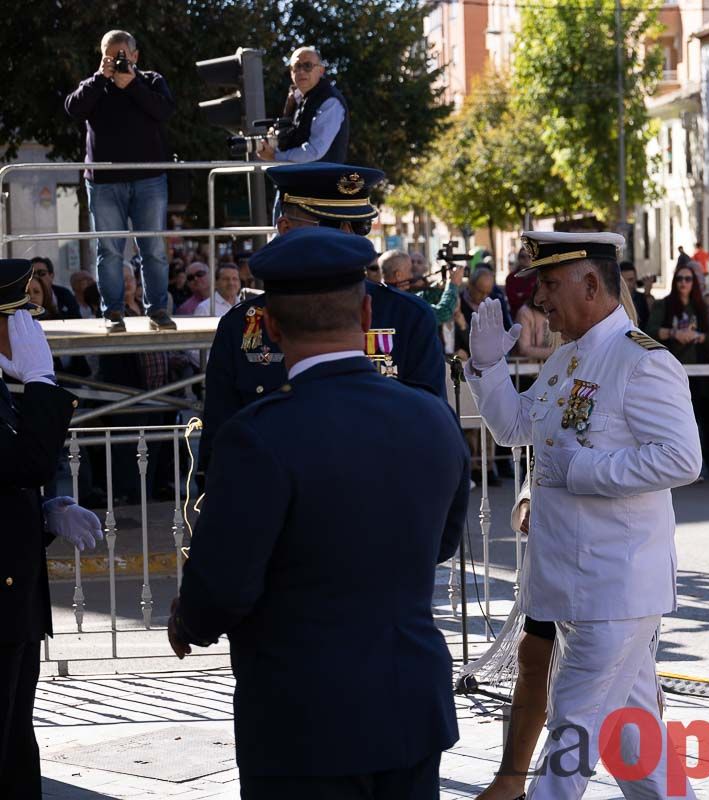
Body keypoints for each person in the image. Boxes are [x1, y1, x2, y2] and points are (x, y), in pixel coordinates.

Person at [168, 229, 468, 799]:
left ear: (273, 329)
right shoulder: (430, 419)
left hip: (302, 717)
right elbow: (444, 541)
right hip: (409, 703)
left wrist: (191, 620)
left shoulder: (258, 435)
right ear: (365, 310)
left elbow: (223, 585)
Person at [466, 231, 701, 799]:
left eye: (549, 283)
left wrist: (584, 471)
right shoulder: (571, 355)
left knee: (568, 736)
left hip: (615, 589)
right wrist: (489, 367)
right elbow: (518, 428)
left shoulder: (642, 361)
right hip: (574, 584)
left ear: (591, 284)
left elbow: (682, 459)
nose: (540, 298)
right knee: (635, 748)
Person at [198, 164, 445, 478]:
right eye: (330, 224)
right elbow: (220, 458)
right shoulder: (242, 325)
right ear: (285, 229)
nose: (349, 238)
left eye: (359, 226)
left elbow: (435, 446)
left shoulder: (409, 317)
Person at [0, 261, 103, 797]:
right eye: (18, 321)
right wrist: (40, 381)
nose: (29, 332)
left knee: (17, 749)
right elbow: (28, 462)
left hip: (15, 603)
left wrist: (42, 514)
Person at [64, 29, 176, 334]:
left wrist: (133, 85)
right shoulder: (94, 84)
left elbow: (165, 111)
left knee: (152, 247)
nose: (118, 60)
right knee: (109, 250)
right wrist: (102, 78)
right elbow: (73, 108)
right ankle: (113, 312)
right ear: (102, 56)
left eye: (123, 55)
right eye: (111, 55)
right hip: (104, 182)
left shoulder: (151, 80)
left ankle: (159, 311)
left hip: (149, 180)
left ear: (135, 55)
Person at [648, 262, 709, 477]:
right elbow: (649, 331)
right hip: (671, 371)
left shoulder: (699, 306)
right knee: (677, 421)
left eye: (688, 279)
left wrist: (697, 336)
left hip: (700, 372)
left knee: (707, 419)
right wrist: (673, 333)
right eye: (680, 279)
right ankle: (678, 468)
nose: (683, 283)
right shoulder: (664, 305)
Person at [257, 47, 348, 164]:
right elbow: (297, 139)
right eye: (297, 66)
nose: (301, 71)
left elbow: (314, 151)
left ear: (321, 71)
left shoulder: (329, 101)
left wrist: (275, 156)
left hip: (323, 180)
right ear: (291, 72)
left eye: (308, 66)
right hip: (300, 179)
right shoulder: (297, 98)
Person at [620, 261, 650, 329]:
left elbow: (650, 322)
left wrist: (647, 294)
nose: (627, 284)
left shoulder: (642, 298)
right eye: (623, 281)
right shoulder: (612, 300)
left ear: (635, 279)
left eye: (630, 280)